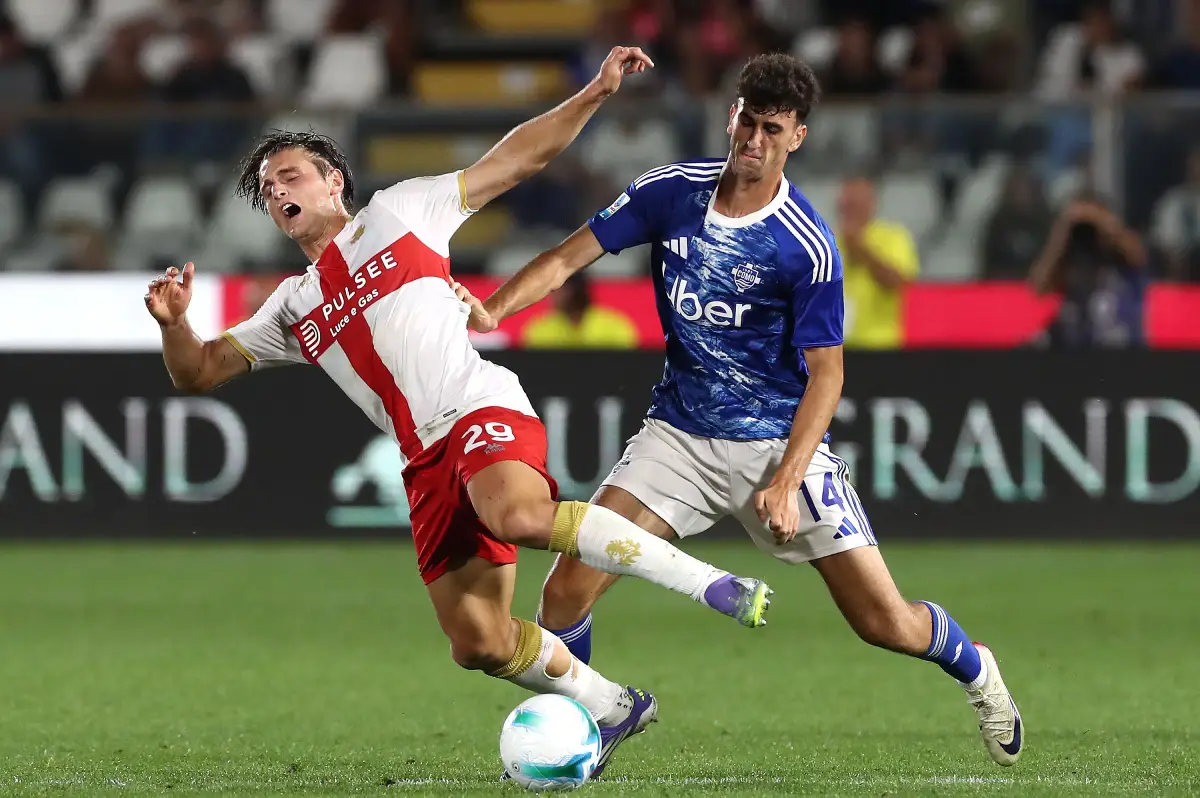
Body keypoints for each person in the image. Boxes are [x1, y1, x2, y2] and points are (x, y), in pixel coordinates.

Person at [142, 46, 774, 780]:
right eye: (265, 184)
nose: (277, 188)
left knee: (517, 514)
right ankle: (613, 704)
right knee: (476, 640)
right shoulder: (292, 305)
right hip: (425, 462)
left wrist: (595, 94)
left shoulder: (400, 212)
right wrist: (173, 324)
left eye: (290, 173)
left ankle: (711, 585)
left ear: (331, 181)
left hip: (479, 406)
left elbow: (513, 161)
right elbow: (199, 372)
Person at [456, 53, 1024, 767]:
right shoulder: (670, 193)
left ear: (798, 138)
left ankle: (979, 670)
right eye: (746, 122)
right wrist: (493, 307)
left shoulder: (806, 246)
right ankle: (595, 721)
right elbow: (570, 257)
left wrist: (786, 481)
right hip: (679, 438)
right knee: (566, 589)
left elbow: (827, 373)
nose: (753, 139)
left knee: (886, 623)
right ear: (732, 117)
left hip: (776, 445)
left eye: (772, 129)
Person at [835, 175, 919, 349]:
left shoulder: (893, 236)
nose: (848, 210)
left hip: (879, 345)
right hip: (835, 348)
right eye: (846, 204)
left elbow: (898, 283)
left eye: (854, 204)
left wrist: (862, 251)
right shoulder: (825, 240)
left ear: (870, 205)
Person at [521, 273, 639, 349]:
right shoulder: (541, 327)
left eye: (557, 290)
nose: (551, 295)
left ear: (575, 290)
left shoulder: (614, 325)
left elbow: (625, 364)